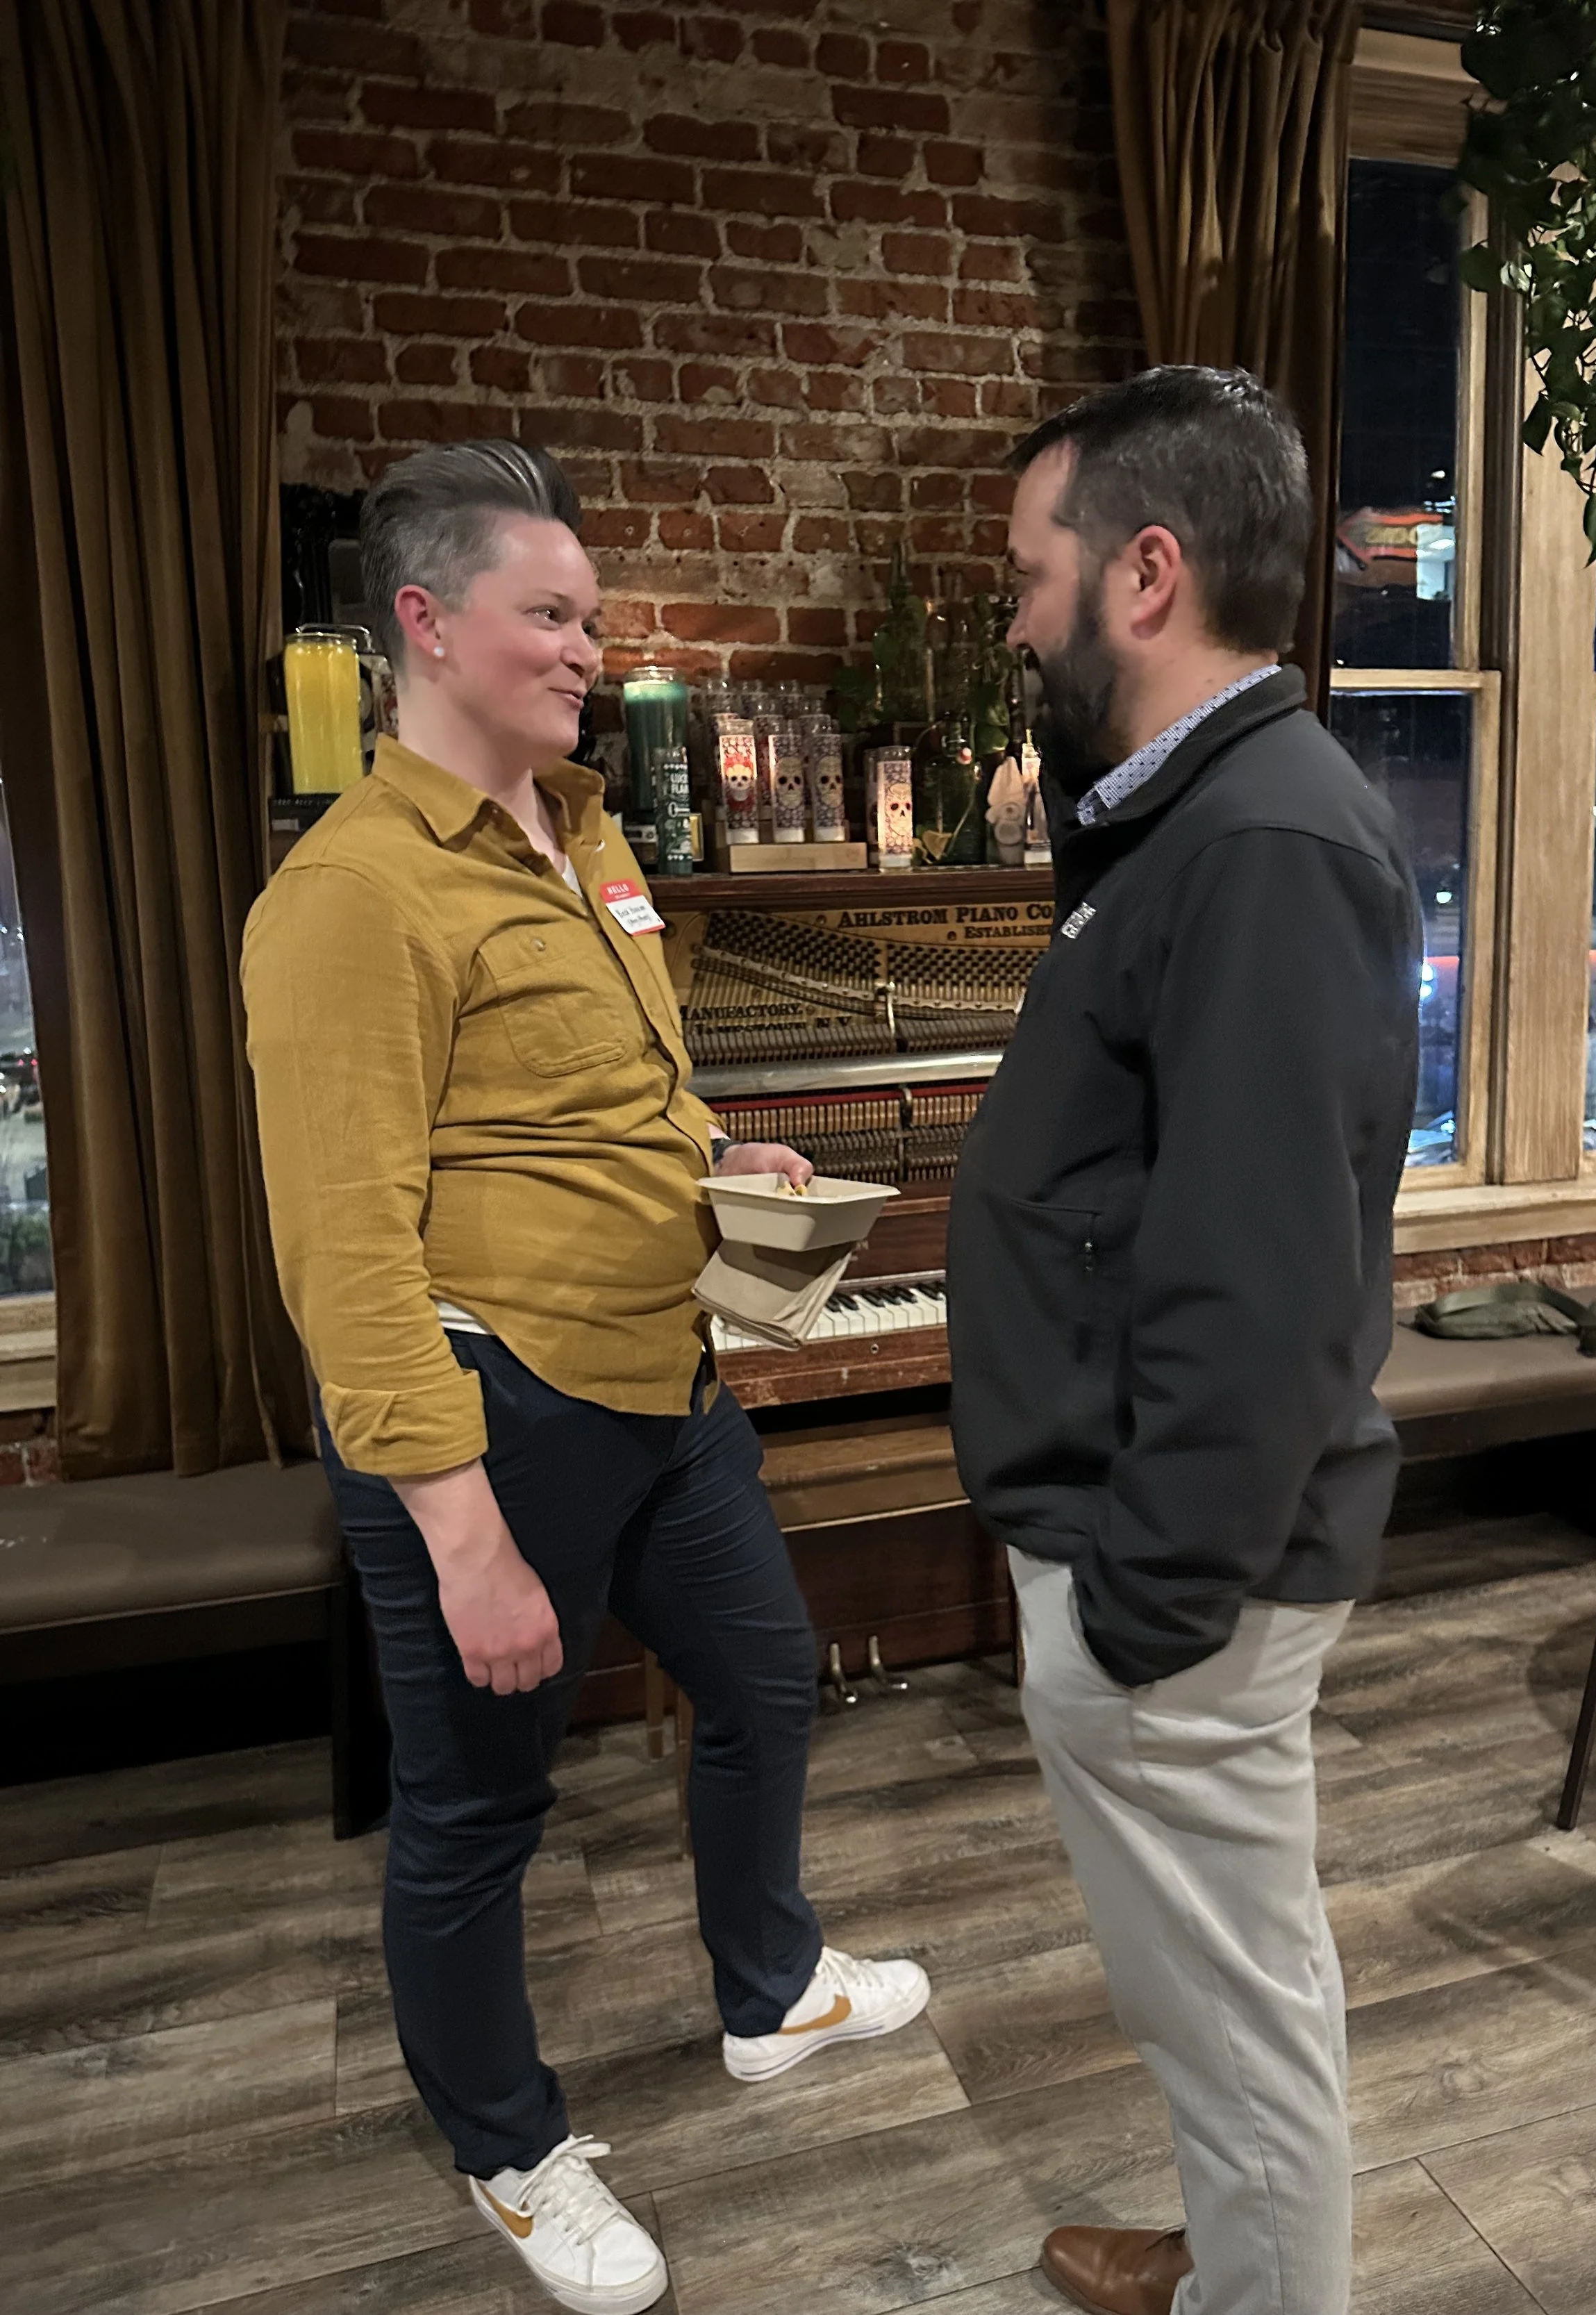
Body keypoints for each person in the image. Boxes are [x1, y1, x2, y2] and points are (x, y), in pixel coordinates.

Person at [242, 440, 929, 2315]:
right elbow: (345, 1250)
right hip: (493, 1414)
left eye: (585, 614)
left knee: (766, 1677)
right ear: (424, 625)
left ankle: (770, 1988)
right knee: (476, 1806)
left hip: (666, 1373)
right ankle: (505, 2146)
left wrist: (721, 1167)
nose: (586, 647)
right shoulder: (349, 896)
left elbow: (608, 1103)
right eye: (547, 616)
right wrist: (459, 1533)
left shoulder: (592, 832)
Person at [947, 369, 1422, 2315]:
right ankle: (1227, 2248)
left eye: (1023, 575)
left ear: (1142, 573)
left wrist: (1143, 1602)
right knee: (1199, 1995)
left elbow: (1265, 1285)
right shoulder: (1190, 819)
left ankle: (1262, 2274)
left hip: (1178, 1586)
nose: (1007, 618)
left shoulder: (1260, 846)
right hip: (1145, 1563)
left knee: (1244, 2026)